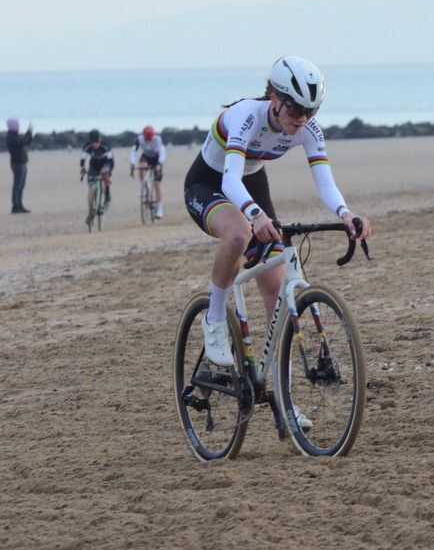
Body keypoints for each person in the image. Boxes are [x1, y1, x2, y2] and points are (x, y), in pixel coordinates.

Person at [184, 56, 372, 374]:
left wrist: (345, 213)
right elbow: (230, 182)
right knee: (239, 233)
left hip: (251, 183)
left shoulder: (308, 130)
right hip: (208, 183)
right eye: (296, 109)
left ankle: (279, 389)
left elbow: (326, 184)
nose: (303, 118)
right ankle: (214, 320)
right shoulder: (247, 115)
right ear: (275, 98)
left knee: (276, 286)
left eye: (311, 110)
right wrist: (256, 215)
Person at [130, 124, 166, 220]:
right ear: (144, 136)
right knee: (142, 167)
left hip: (156, 158)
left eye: (150, 139)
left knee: (157, 184)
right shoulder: (139, 139)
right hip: (146, 157)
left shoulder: (158, 139)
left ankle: (159, 209)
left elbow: (162, 153)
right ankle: (145, 185)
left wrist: (159, 163)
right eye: (147, 139)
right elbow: (133, 152)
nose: (149, 141)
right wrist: (132, 164)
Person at [79, 129, 115, 216]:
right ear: (90, 141)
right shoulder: (87, 147)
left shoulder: (106, 146)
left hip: (105, 163)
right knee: (91, 184)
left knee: (105, 174)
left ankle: (107, 193)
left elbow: (111, 161)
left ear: (100, 140)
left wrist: (108, 171)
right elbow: (83, 160)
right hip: (94, 165)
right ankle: (91, 209)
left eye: (97, 142)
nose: (95, 144)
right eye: (92, 142)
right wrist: (83, 169)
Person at [6, 118, 33, 214]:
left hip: (22, 162)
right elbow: (22, 142)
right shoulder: (11, 137)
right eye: (16, 124)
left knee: (21, 185)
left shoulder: (15, 135)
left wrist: (30, 133)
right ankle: (15, 206)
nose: (18, 126)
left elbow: (27, 142)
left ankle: (20, 205)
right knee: (17, 185)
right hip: (17, 163)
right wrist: (28, 132)